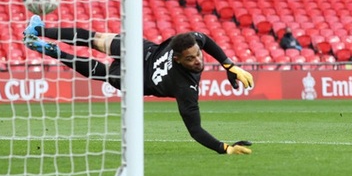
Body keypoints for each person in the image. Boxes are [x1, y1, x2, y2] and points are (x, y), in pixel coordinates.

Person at [22, 15, 254, 155]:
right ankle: (39, 32)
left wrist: (229, 65)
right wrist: (228, 65)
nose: (198, 61)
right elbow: (196, 130)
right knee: (95, 40)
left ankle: (50, 47)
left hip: (136, 71)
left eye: (198, 55)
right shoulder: (185, 80)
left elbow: (205, 39)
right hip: (140, 62)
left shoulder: (187, 65)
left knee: (99, 63)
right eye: (191, 58)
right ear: (177, 58)